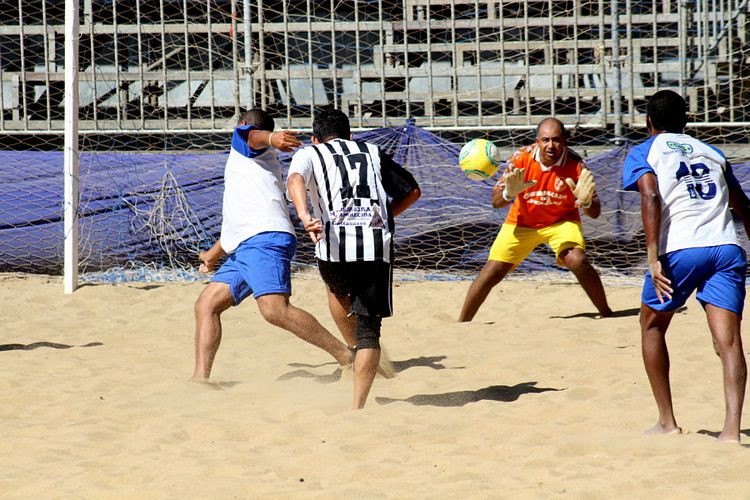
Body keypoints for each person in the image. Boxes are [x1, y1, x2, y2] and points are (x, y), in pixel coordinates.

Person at [622, 90, 750, 442]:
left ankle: (667, 421)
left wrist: (652, 258)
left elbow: (650, 195)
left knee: (652, 325)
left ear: (649, 122)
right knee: (729, 342)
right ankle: (730, 432)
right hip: (726, 247)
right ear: (687, 123)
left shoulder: (645, 151)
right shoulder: (714, 153)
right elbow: (743, 206)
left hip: (681, 249)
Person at [192, 109, 353, 382]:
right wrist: (211, 256)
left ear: (241, 124)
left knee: (275, 310)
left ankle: (348, 357)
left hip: (264, 240)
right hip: (249, 243)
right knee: (206, 305)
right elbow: (238, 225)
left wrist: (272, 138)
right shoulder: (252, 169)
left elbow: (253, 135)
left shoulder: (244, 141)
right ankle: (200, 380)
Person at [286, 109, 421, 409]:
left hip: (333, 248)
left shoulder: (311, 153)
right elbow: (413, 191)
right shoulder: (372, 151)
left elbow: (295, 179)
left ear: (315, 138)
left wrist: (304, 214)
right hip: (376, 248)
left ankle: (352, 348)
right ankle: (357, 405)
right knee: (370, 332)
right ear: (350, 136)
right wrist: (386, 216)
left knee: (336, 289)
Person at [458, 118, 613, 322]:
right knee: (492, 270)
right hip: (522, 222)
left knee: (578, 260)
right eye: (545, 140)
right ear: (537, 141)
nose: (551, 145)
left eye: (556, 140)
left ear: (565, 140)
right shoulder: (520, 158)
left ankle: (607, 313)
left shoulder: (576, 164)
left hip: (561, 221)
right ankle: (462, 322)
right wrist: (507, 194)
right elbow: (495, 202)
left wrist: (586, 202)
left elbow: (595, 212)